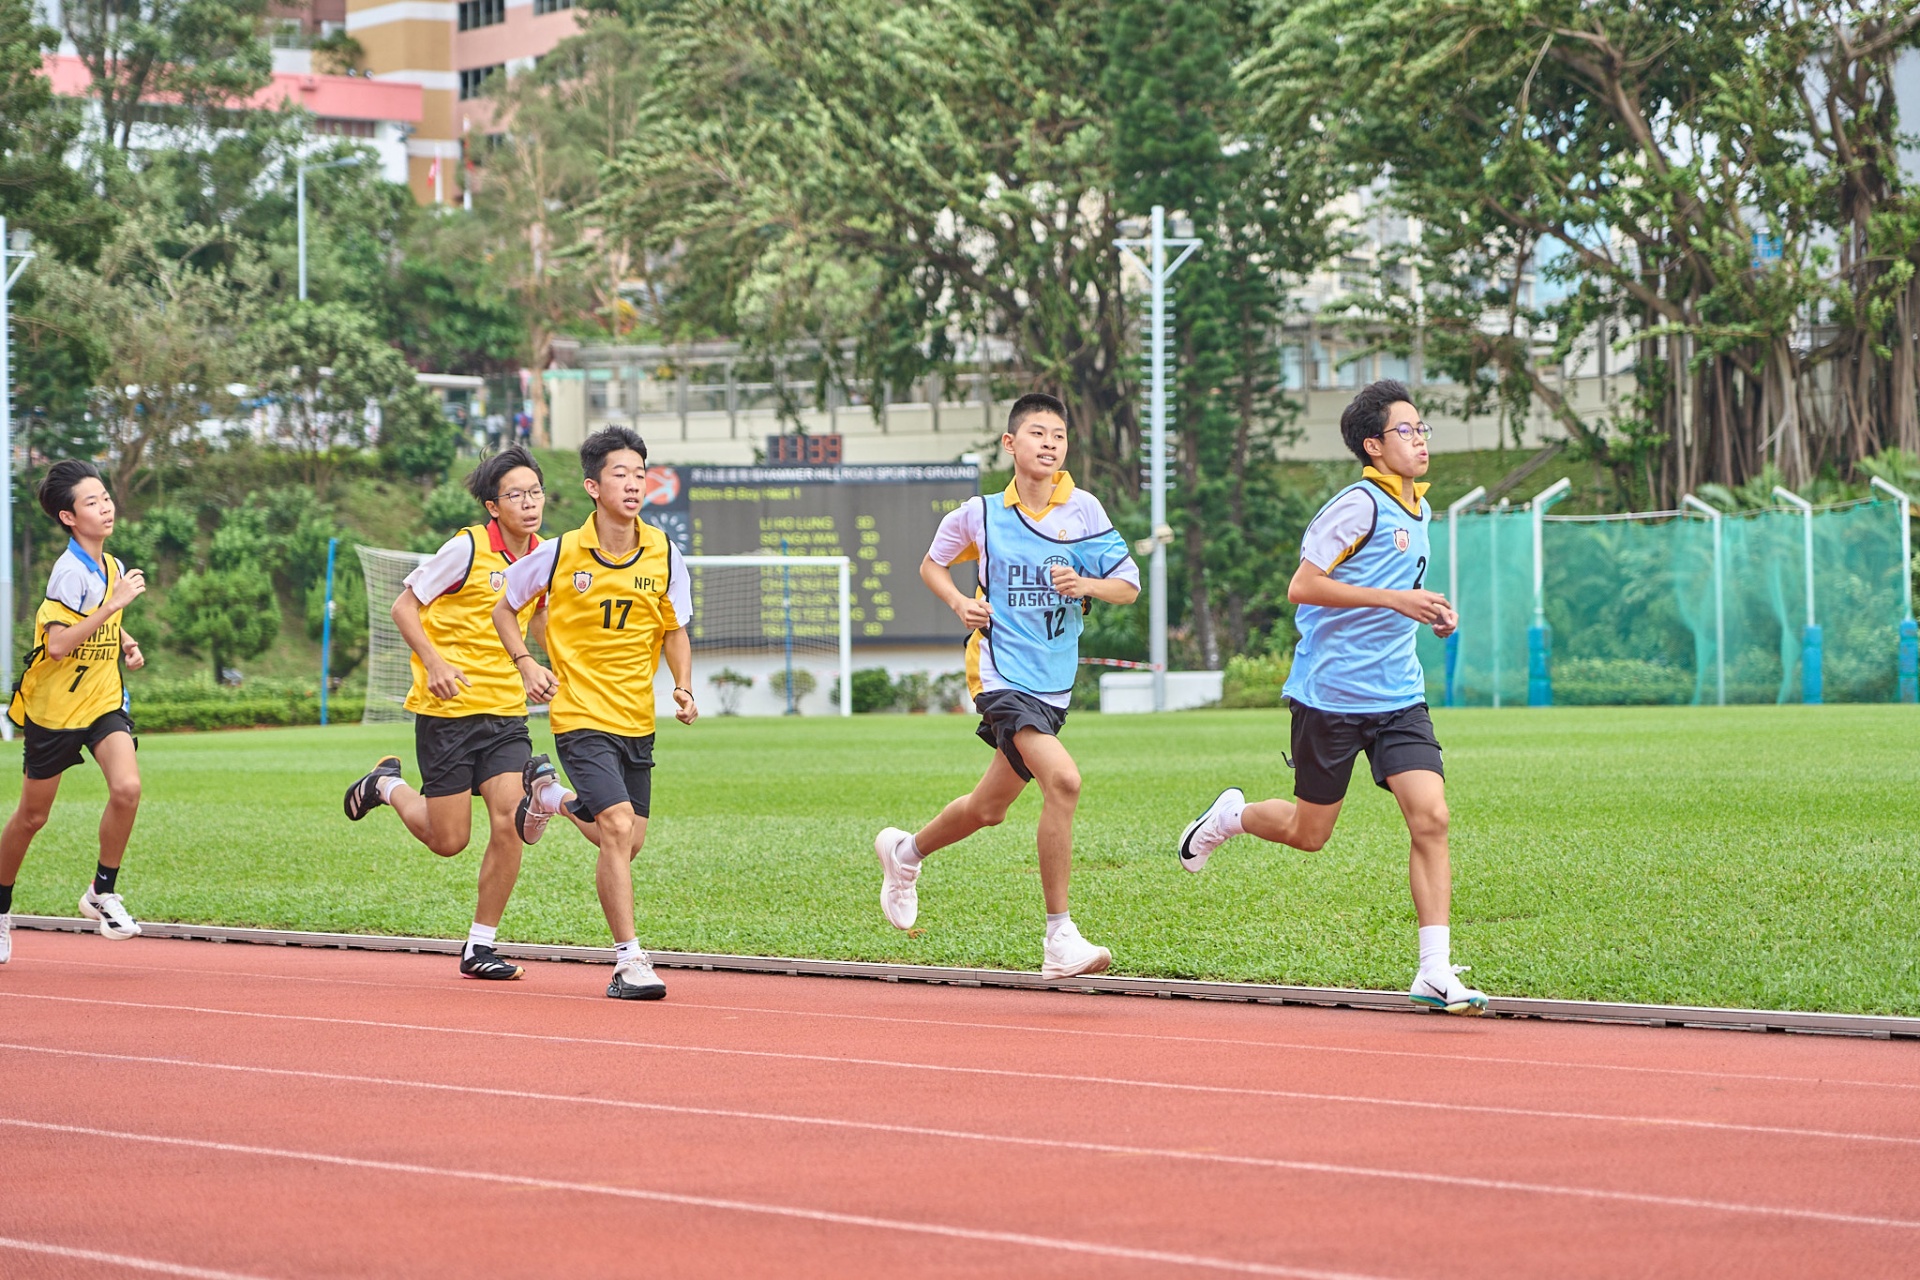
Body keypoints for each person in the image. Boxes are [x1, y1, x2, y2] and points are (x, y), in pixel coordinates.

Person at [1175, 380, 1488, 1015]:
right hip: (1331, 697)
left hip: (1399, 695)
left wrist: (1430, 613)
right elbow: (1303, 586)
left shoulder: (1420, 509)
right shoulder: (1356, 507)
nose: (1420, 439)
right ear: (1373, 445)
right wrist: (1395, 600)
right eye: (1406, 430)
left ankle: (1433, 970)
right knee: (1309, 832)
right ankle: (1230, 818)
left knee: (1431, 817)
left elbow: (1399, 590)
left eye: (1423, 428)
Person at [874, 392, 1140, 979]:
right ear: (1010, 443)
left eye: (1059, 436)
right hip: (998, 674)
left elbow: (1128, 585)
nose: (1050, 444)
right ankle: (1059, 936)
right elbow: (931, 564)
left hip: (1053, 684)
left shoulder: (1085, 511)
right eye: (1038, 433)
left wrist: (1086, 586)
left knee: (988, 809)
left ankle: (904, 853)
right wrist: (959, 602)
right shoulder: (981, 514)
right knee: (1064, 781)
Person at [342, 446, 577, 981]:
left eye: (536, 492)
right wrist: (435, 662)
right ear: (493, 506)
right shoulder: (466, 548)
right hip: (447, 712)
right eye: (516, 495)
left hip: (506, 713)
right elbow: (404, 606)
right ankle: (385, 785)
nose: (530, 503)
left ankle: (479, 946)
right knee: (448, 841)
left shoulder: (544, 556)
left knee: (511, 821)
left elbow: (539, 620)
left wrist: (556, 666)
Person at [494, 426, 697, 1001]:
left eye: (640, 474)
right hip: (579, 714)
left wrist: (683, 686)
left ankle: (549, 796)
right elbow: (504, 609)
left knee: (628, 842)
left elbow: (675, 629)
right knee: (615, 826)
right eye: (619, 474)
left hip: (637, 718)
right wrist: (526, 664)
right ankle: (629, 961)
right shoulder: (559, 553)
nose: (633, 485)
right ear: (592, 486)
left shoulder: (664, 553)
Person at [0, 461, 149, 963]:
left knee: (127, 788)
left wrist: (125, 640)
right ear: (68, 516)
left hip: (102, 701)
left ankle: (101, 891)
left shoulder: (110, 565)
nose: (105, 507)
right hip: (56, 710)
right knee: (32, 817)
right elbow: (60, 644)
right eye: (92, 502)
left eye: (105, 497)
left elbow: (102, 620)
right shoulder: (68, 571)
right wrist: (113, 608)